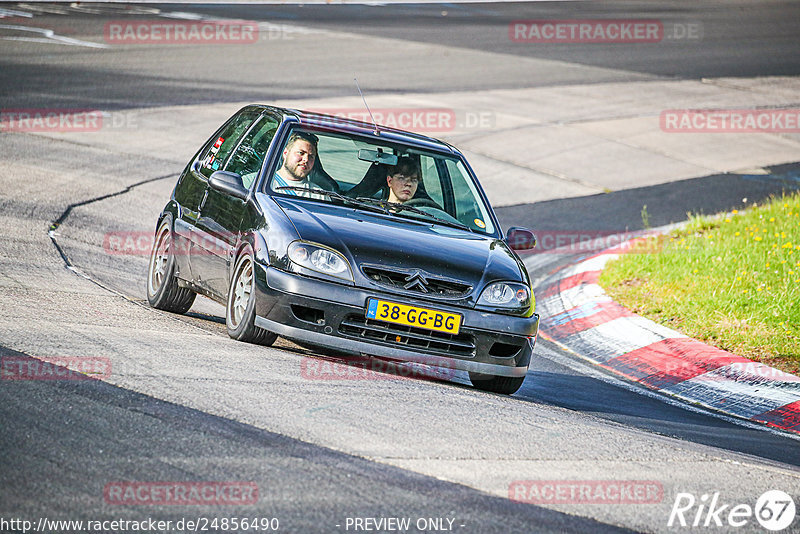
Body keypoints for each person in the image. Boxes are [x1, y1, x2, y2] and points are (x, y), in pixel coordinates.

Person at [272, 132, 325, 199]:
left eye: (311, 156)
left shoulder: (319, 196)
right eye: (301, 153)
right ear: (285, 153)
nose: (306, 159)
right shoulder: (262, 184)